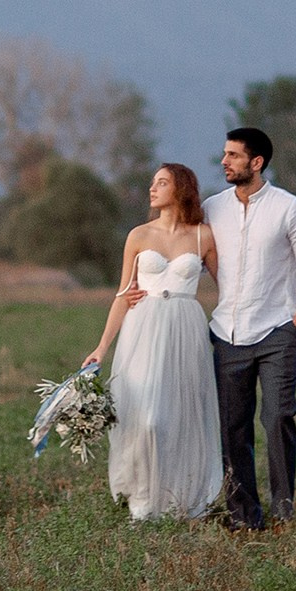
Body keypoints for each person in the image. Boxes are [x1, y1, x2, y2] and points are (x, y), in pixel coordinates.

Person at [81, 162, 225, 521]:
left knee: (179, 417)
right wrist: (101, 348)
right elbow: (122, 294)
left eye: (162, 182)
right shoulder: (139, 235)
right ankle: (142, 501)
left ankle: (179, 498)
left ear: (181, 189)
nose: (153, 188)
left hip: (185, 331)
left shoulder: (203, 236)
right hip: (143, 328)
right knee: (146, 418)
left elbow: (229, 289)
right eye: (153, 182)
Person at [196, 127, 296, 530]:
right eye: (224, 154)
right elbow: (202, 257)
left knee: (277, 417)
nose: (224, 162)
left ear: (257, 162)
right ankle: (244, 515)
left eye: (233, 156)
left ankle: (283, 508)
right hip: (226, 334)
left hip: (276, 333)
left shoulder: (291, 208)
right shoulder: (212, 208)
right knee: (232, 428)